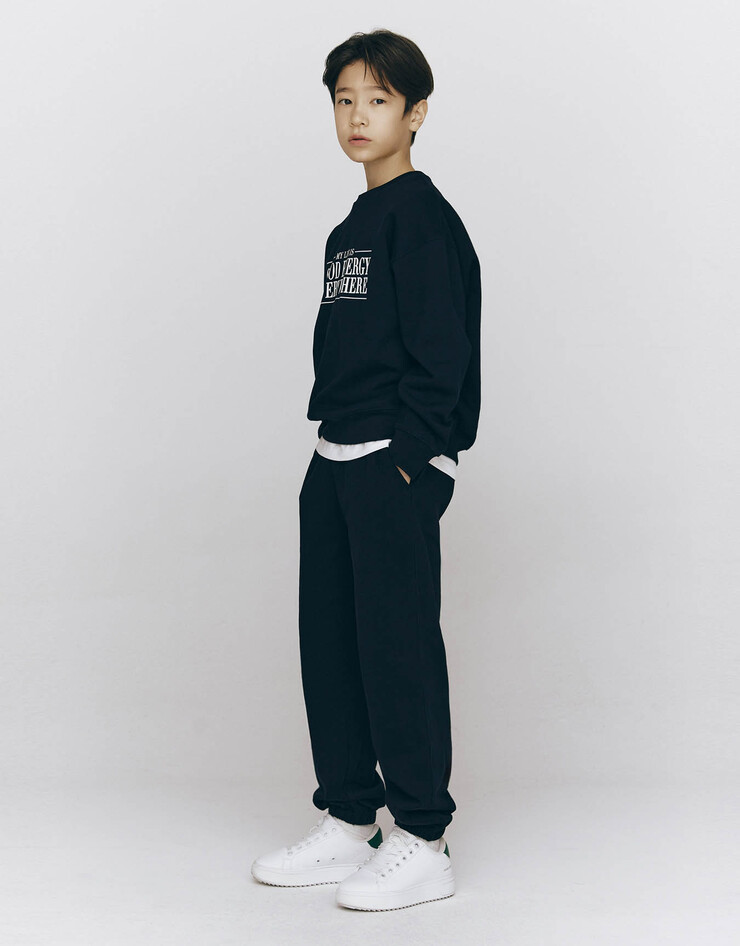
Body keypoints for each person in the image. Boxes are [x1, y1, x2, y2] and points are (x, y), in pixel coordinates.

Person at [252, 28, 482, 911]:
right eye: (345, 100)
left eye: (377, 100)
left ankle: (424, 837)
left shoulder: (424, 218)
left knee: (397, 647)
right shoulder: (350, 227)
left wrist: (412, 461)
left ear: (415, 113)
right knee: (332, 645)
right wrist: (330, 458)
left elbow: (443, 353)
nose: (357, 116)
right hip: (335, 455)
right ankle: (352, 819)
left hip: (393, 459)